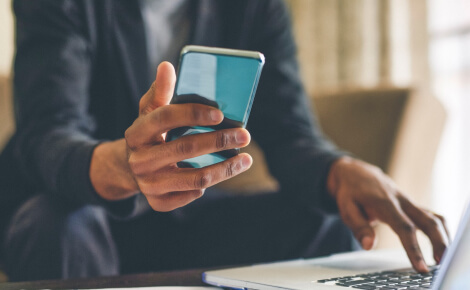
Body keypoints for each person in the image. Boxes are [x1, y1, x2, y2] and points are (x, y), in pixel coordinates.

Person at [0, 0, 449, 282]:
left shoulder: (256, 7)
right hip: (87, 210)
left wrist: (341, 171)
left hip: (184, 221)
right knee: (57, 226)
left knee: (323, 222)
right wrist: (127, 167)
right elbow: (46, 133)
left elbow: (290, 133)